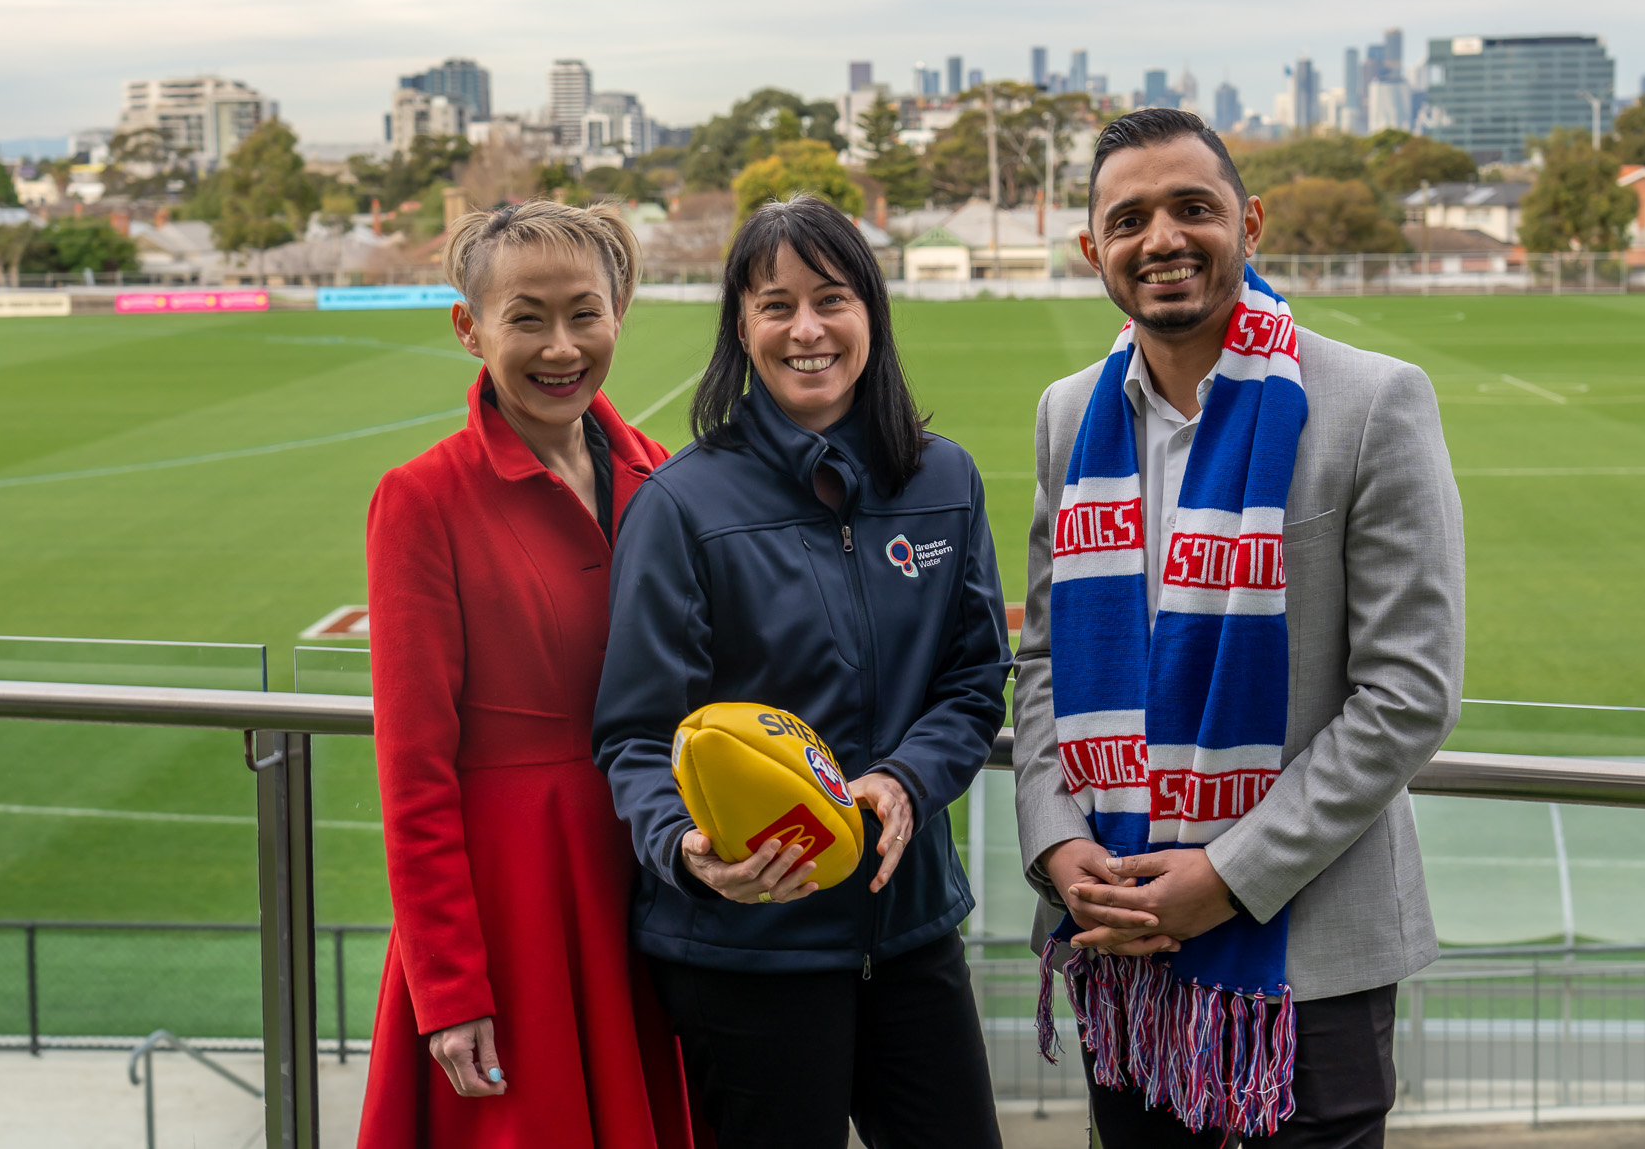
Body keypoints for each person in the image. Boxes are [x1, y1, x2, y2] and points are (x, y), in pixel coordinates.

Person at [1012, 109, 1464, 1148]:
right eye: (1128, 218)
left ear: (1247, 223)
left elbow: (1406, 696)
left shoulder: (1368, 403)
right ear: (1093, 251)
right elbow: (1039, 664)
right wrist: (1056, 843)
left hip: (1304, 962)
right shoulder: (1065, 416)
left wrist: (1225, 879)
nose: (1160, 238)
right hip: (1118, 948)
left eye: (1191, 208)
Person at [592, 194, 1011, 1149]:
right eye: (775, 304)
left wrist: (910, 777)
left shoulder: (945, 479)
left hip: (907, 935)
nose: (807, 328)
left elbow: (974, 674)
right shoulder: (681, 504)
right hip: (746, 953)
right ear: (741, 327)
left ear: (872, 310)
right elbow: (633, 732)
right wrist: (688, 851)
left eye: (831, 297)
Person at [357, 202, 694, 1149]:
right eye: (527, 317)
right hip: (516, 910)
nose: (561, 347)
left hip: (659, 874)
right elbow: (413, 771)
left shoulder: (662, 476)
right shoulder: (420, 498)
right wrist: (450, 988)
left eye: (585, 313)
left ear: (619, 312)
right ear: (471, 328)